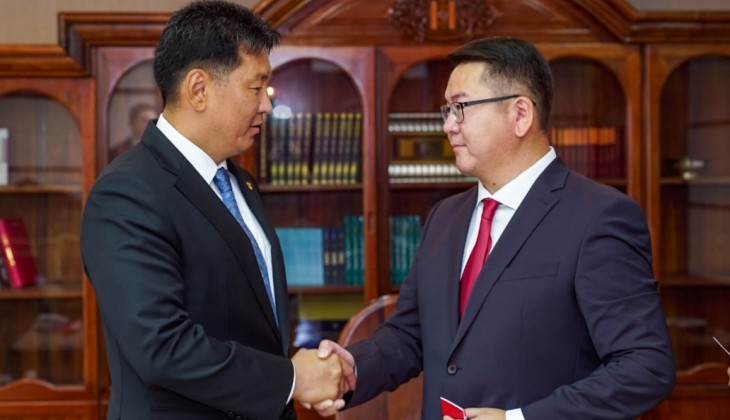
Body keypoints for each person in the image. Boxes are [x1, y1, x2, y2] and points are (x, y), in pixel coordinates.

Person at [316, 36, 676, 419]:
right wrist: (354, 367)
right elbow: (411, 333)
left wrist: (519, 419)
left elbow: (644, 366)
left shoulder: (599, 217)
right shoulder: (444, 217)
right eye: (447, 110)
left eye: (460, 108)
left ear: (520, 114)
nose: (448, 126)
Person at [80, 2, 344, 419]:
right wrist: (292, 380)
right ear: (199, 89)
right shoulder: (127, 193)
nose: (267, 106)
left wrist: (301, 375)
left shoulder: (240, 182)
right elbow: (163, 347)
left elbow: (249, 324)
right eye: (255, 88)